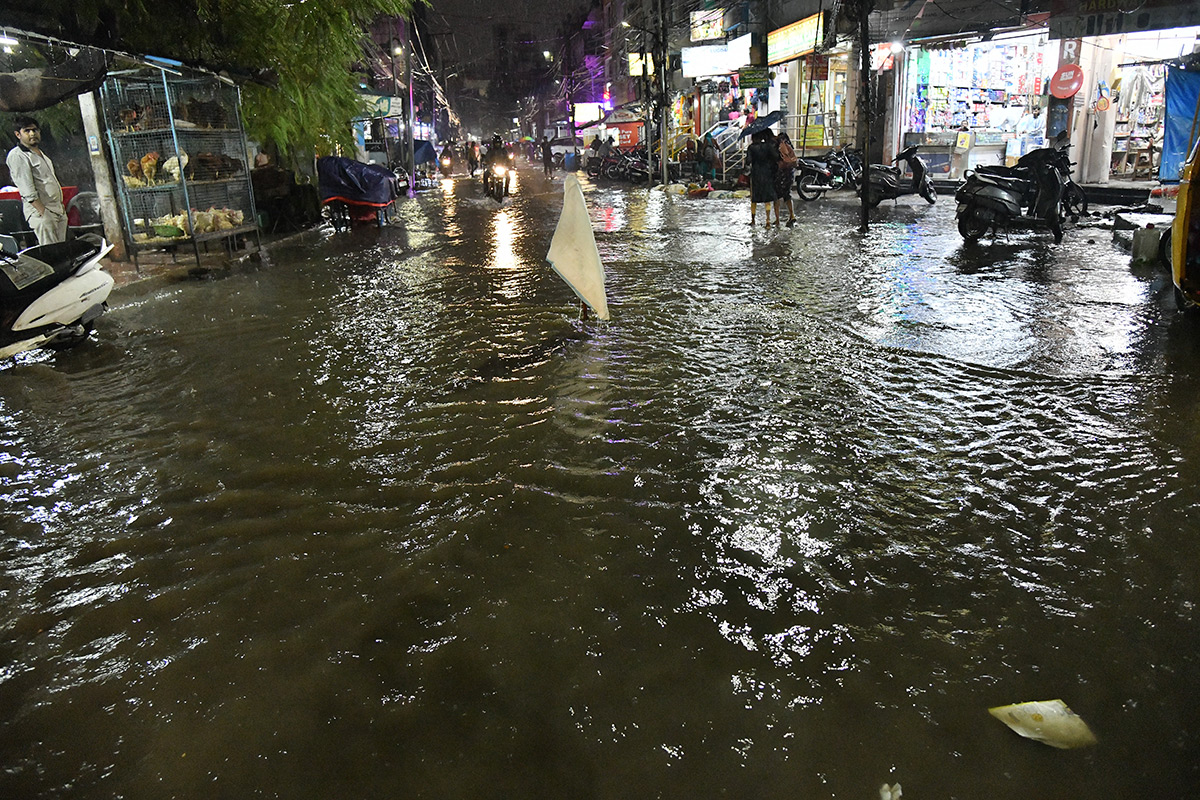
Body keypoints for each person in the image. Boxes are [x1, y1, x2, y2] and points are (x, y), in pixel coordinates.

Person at [6, 115, 67, 245]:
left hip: (57, 210)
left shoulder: (39, 153)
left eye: (35, 130)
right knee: (52, 255)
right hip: (42, 213)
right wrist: (44, 213)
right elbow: (27, 190)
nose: (32, 133)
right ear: (18, 134)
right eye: (27, 131)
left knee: (62, 254)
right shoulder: (18, 155)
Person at [747, 129, 779, 227]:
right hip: (767, 172)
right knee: (767, 197)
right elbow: (776, 157)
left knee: (754, 197)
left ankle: (753, 220)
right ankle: (768, 221)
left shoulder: (751, 148)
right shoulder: (768, 146)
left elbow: (748, 161)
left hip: (756, 173)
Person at [774, 131, 798, 227]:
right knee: (787, 195)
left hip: (782, 174)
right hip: (790, 173)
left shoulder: (781, 147)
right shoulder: (790, 146)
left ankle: (777, 219)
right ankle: (792, 215)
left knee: (776, 196)